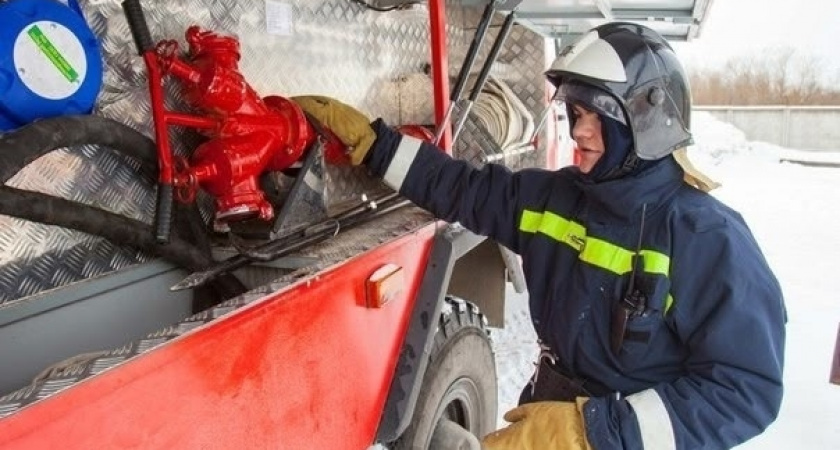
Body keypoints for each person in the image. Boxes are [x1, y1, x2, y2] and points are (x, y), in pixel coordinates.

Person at [293, 21, 786, 450]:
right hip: (552, 409)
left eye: (599, 116)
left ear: (646, 121)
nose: (580, 133)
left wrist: (591, 434)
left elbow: (746, 390)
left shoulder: (705, 236)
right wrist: (375, 145)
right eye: (575, 114)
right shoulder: (556, 198)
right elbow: (461, 189)